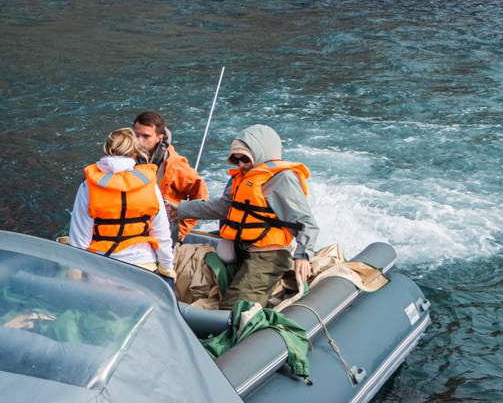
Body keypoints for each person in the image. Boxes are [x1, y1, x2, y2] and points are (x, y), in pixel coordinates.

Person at [175, 124, 319, 305]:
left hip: (267, 256)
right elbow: (223, 206)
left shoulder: (282, 179)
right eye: (236, 160)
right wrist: (180, 209)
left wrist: (303, 255)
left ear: (261, 153)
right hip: (240, 248)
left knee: (234, 306)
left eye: (245, 158)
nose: (241, 164)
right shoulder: (243, 177)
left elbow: (306, 222)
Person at [69, 128, 173, 274]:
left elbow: (79, 238)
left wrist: (75, 271)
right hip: (143, 268)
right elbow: (161, 232)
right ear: (135, 152)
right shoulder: (149, 184)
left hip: (100, 267)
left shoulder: (88, 186)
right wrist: (166, 266)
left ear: (106, 150)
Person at [132, 110, 206, 238]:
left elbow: (200, 197)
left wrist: (182, 230)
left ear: (159, 137)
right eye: (136, 135)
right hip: (132, 228)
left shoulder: (176, 166)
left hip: (163, 232)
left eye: (146, 136)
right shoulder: (123, 158)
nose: (139, 140)